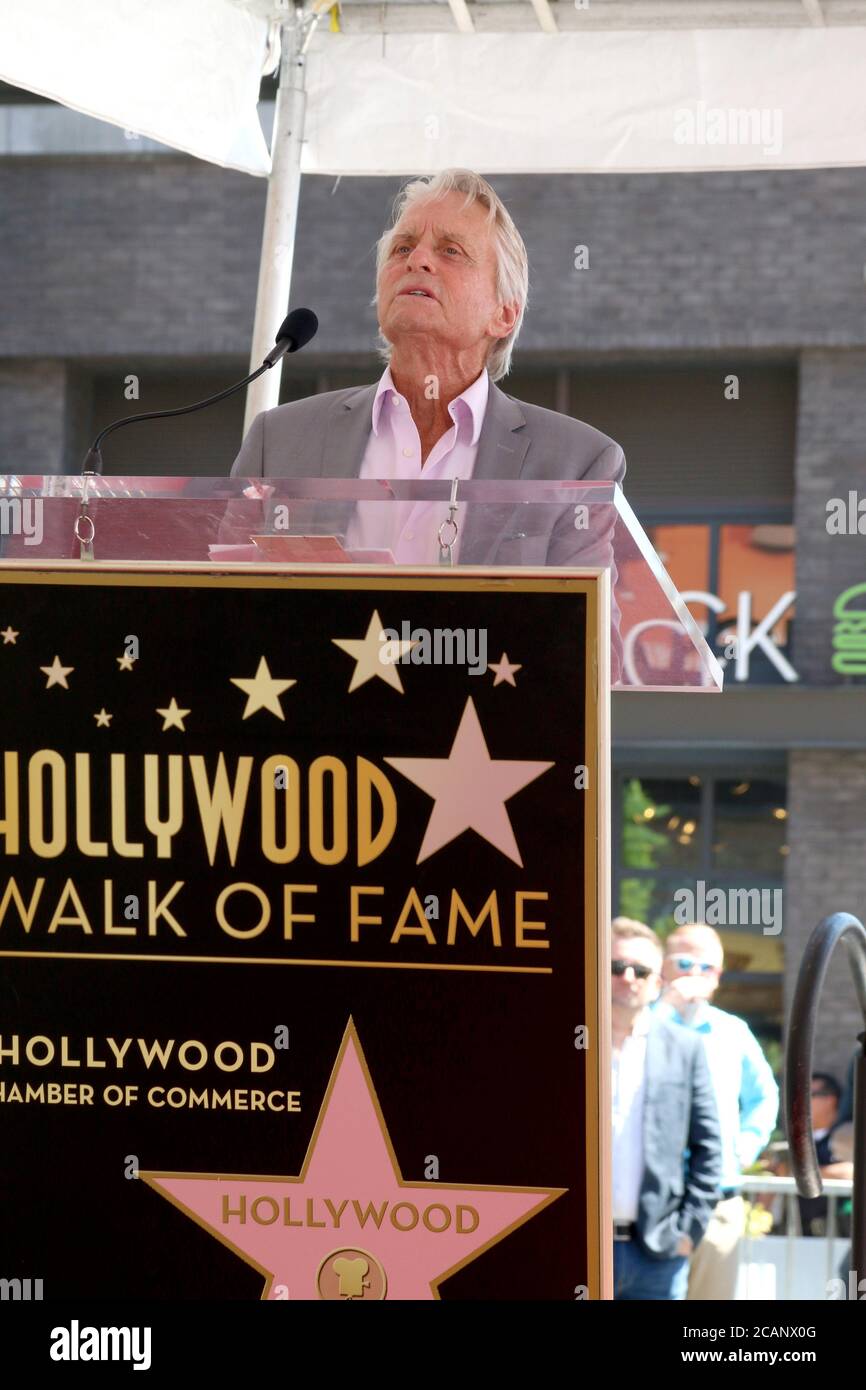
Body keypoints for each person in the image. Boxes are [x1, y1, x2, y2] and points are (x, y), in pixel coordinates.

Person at [229, 168, 625, 574]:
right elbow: (216, 603)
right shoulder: (276, 442)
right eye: (402, 248)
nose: (417, 260)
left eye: (450, 250)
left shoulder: (576, 464)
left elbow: (589, 635)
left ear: (504, 314)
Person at [656, 922, 779, 1301]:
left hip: (715, 1201)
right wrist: (665, 1009)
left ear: (718, 977)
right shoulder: (645, 1023)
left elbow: (765, 1096)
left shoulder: (733, 1031)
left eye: (705, 967)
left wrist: (744, 1146)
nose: (694, 974)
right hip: (652, 1200)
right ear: (663, 968)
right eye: (683, 963)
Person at [610, 917, 722, 1300]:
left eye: (640, 970)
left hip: (656, 1255)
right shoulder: (573, 1044)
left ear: (657, 982)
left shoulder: (685, 1048)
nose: (628, 977)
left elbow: (709, 1147)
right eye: (615, 967)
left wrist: (688, 1233)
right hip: (579, 1248)